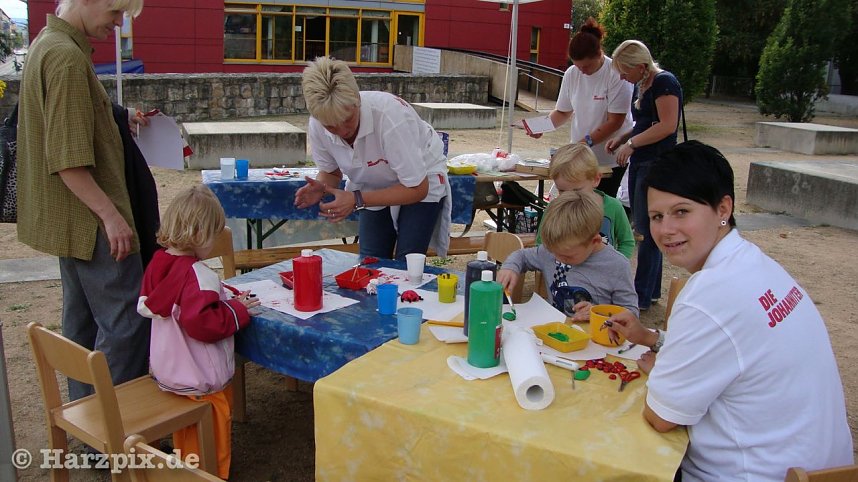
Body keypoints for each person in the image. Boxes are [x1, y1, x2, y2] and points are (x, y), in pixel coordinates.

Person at [607, 141, 853, 481]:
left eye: (682, 211)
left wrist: (660, 373)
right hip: (820, 466)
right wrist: (653, 339)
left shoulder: (709, 292)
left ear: (723, 208)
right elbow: (738, 347)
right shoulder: (756, 264)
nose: (666, 229)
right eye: (656, 216)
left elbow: (663, 417)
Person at [16, 0, 150, 402]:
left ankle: (88, 423)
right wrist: (111, 216)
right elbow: (68, 160)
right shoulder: (66, 58)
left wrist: (118, 117)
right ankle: (117, 430)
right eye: (114, 12)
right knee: (126, 322)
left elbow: (65, 125)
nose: (118, 23)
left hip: (71, 221)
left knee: (82, 325)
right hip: (92, 221)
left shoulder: (48, 43)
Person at [137, 185, 259, 480]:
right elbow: (204, 325)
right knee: (214, 430)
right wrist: (238, 310)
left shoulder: (158, 262)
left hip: (170, 371)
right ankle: (209, 473)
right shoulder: (200, 276)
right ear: (201, 234)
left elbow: (167, 303)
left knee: (188, 433)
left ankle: (186, 465)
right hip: (201, 378)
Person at [294, 56, 451, 260]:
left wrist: (357, 199)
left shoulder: (391, 118)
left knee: (408, 262)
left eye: (347, 119)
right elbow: (332, 172)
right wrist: (322, 186)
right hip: (370, 183)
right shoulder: (317, 123)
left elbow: (417, 188)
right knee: (370, 262)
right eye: (331, 126)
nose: (342, 131)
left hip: (421, 179)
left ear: (357, 101)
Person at [606, 39, 683, 311]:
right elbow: (642, 123)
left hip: (656, 163)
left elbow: (666, 125)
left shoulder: (664, 82)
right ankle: (649, 291)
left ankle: (641, 294)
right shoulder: (643, 84)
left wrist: (632, 144)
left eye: (625, 71)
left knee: (646, 231)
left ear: (640, 65)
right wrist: (622, 137)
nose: (623, 77)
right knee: (647, 229)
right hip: (642, 160)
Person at [524, 17, 633, 197]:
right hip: (580, 159)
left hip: (609, 160)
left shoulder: (615, 74)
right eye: (577, 66)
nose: (582, 71)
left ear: (599, 55)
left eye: (586, 66)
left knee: (601, 209)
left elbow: (616, 121)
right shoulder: (571, 74)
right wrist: (541, 126)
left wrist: (583, 144)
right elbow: (562, 112)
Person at [497, 190, 637, 321]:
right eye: (553, 252)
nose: (557, 259)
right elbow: (522, 256)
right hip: (556, 334)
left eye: (567, 256)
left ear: (594, 241)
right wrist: (511, 267)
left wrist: (598, 313)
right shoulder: (552, 252)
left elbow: (632, 315)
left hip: (594, 341)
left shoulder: (616, 265)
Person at [536, 143, 635, 259]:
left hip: (603, 274)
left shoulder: (613, 207)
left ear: (596, 179)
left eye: (577, 190)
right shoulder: (554, 208)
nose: (570, 198)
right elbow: (542, 244)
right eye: (562, 191)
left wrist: (616, 266)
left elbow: (627, 242)